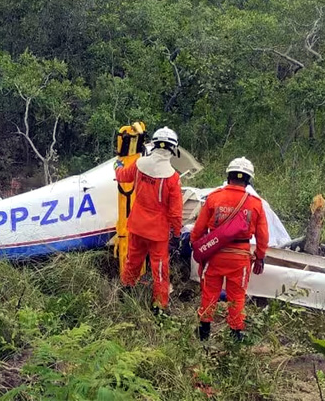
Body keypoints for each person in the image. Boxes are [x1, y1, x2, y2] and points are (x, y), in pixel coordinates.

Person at [190, 157, 269, 341]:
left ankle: (204, 333)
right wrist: (260, 256)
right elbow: (263, 236)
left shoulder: (214, 197)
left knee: (209, 294)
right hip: (240, 258)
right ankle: (235, 335)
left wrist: (196, 245)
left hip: (214, 254)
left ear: (229, 175)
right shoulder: (255, 203)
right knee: (237, 297)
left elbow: (199, 229)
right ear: (248, 180)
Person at [114, 126, 183, 315]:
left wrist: (117, 165)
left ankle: (125, 291)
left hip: (136, 225)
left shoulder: (139, 164)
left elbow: (121, 176)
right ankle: (159, 307)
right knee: (159, 270)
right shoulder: (172, 178)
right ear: (172, 149)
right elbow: (175, 213)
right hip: (158, 232)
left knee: (132, 261)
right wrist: (177, 234)